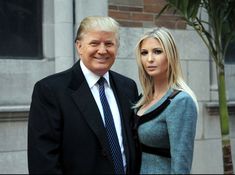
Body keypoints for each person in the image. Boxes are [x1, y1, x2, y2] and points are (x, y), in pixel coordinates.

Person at [27, 16, 139, 174]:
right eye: (94, 43)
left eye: (109, 44)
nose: (102, 50)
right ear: (79, 46)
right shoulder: (50, 90)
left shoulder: (128, 87)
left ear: (117, 48)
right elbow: (43, 161)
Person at [133, 27, 198, 174]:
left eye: (157, 51)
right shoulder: (141, 99)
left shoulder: (181, 102)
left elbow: (181, 164)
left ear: (170, 56)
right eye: (144, 53)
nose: (149, 59)